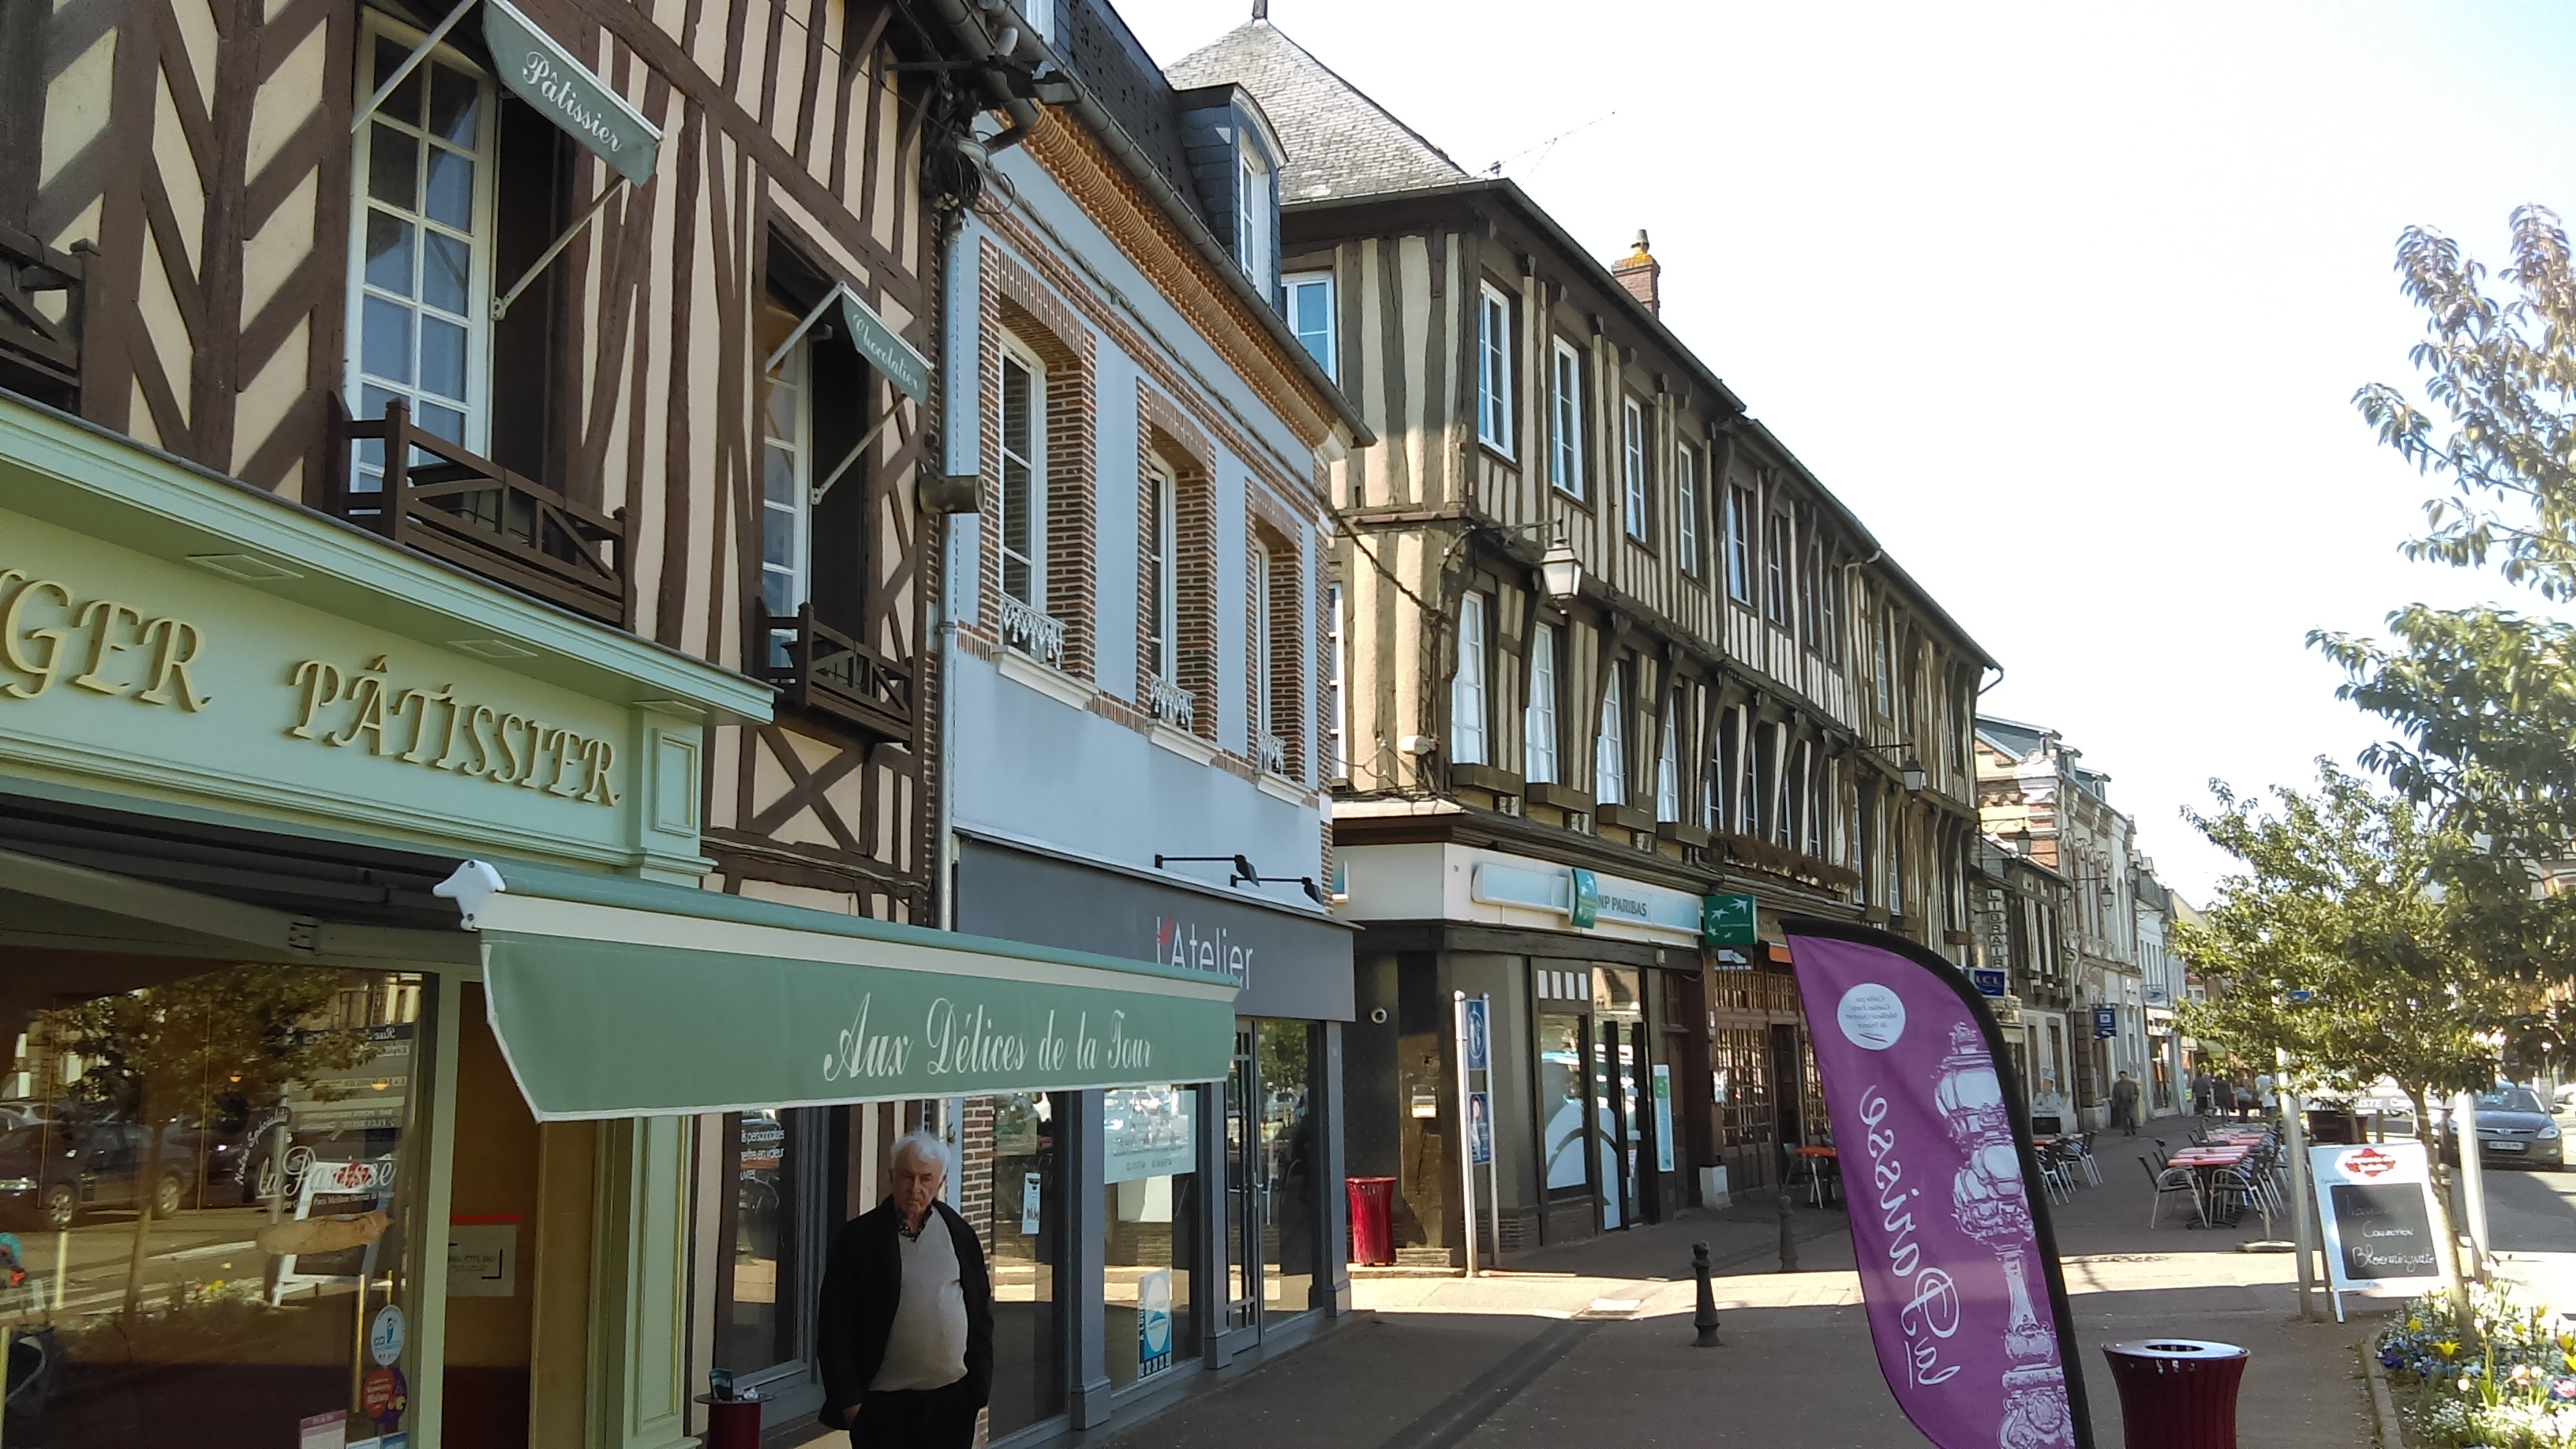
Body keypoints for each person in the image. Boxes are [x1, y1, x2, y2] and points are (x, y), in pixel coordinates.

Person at [816, 1131, 994, 1447]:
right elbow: (834, 1326)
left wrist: (977, 1389)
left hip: (952, 1403)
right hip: (883, 1407)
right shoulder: (858, 1239)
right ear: (891, 1177)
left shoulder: (959, 1234)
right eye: (907, 1177)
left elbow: (980, 1312)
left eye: (926, 1179)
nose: (915, 1188)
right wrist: (851, 1404)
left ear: (941, 1182)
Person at [2110, 1071, 2141, 1136]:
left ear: (2126, 1076)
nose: (2123, 1078)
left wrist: (2135, 1098)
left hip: (2130, 1102)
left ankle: (2133, 1129)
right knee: (2123, 1117)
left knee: (2131, 1116)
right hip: (2121, 1102)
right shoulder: (2117, 1085)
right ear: (2120, 1077)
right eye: (2121, 1077)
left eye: (2124, 1076)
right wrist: (2114, 1102)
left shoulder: (2131, 1083)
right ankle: (2126, 1131)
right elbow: (2114, 1094)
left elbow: (2137, 1092)